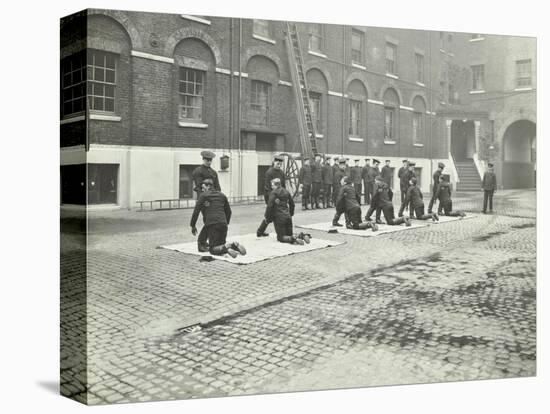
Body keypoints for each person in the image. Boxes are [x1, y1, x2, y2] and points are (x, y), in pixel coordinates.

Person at [190, 178, 247, 258]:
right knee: (220, 244)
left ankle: (226, 248)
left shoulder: (203, 196)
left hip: (212, 225)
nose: (202, 190)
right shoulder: (222, 195)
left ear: (208, 186)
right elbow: (229, 211)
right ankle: (233, 245)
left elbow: (196, 211)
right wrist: (225, 222)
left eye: (203, 188)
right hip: (223, 224)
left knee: (212, 249)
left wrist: (193, 225)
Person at [265, 178, 311, 245]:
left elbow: (269, 206)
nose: (271, 187)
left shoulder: (273, 193)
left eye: (272, 185)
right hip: (288, 217)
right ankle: (302, 235)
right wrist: (290, 214)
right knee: (289, 234)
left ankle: (293, 239)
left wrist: (267, 217)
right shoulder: (286, 191)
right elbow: (292, 204)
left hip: (279, 218)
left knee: (280, 237)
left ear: (276, 185)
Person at [192, 150, 221, 252]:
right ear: (203, 159)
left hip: (214, 201)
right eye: (207, 160)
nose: (209, 162)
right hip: (205, 201)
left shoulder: (213, 173)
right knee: (209, 221)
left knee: (211, 221)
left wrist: (218, 199)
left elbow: (217, 187)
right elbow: (199, 188)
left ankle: (204, 241)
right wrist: (203, 201)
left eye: (210, 160)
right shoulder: (198, 171)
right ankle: (201, 242)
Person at [256, 155, 286, 237]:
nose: (279, 165)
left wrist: (284, 196)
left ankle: (260, 231)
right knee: (273, 214)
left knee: (273, 215)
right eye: (277, 163)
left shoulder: (282, 173)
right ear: (274, 162)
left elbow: (283, 186)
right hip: (271, 197)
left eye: (280, 164)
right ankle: (280, 233)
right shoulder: (269, 173)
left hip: (279, 198)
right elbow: (267, 188)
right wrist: (273, 199)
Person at [331, 158, 347, 226]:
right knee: (340, 208)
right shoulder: (337, 173)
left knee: (346, 208)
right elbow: (337, 185)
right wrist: (341, 193)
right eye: (342, 165)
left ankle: (348, 222)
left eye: (344, 165)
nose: (344, 166)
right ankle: (335, 221)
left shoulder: (345, 173)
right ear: (339, 166)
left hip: (345, 193)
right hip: (340, 194)